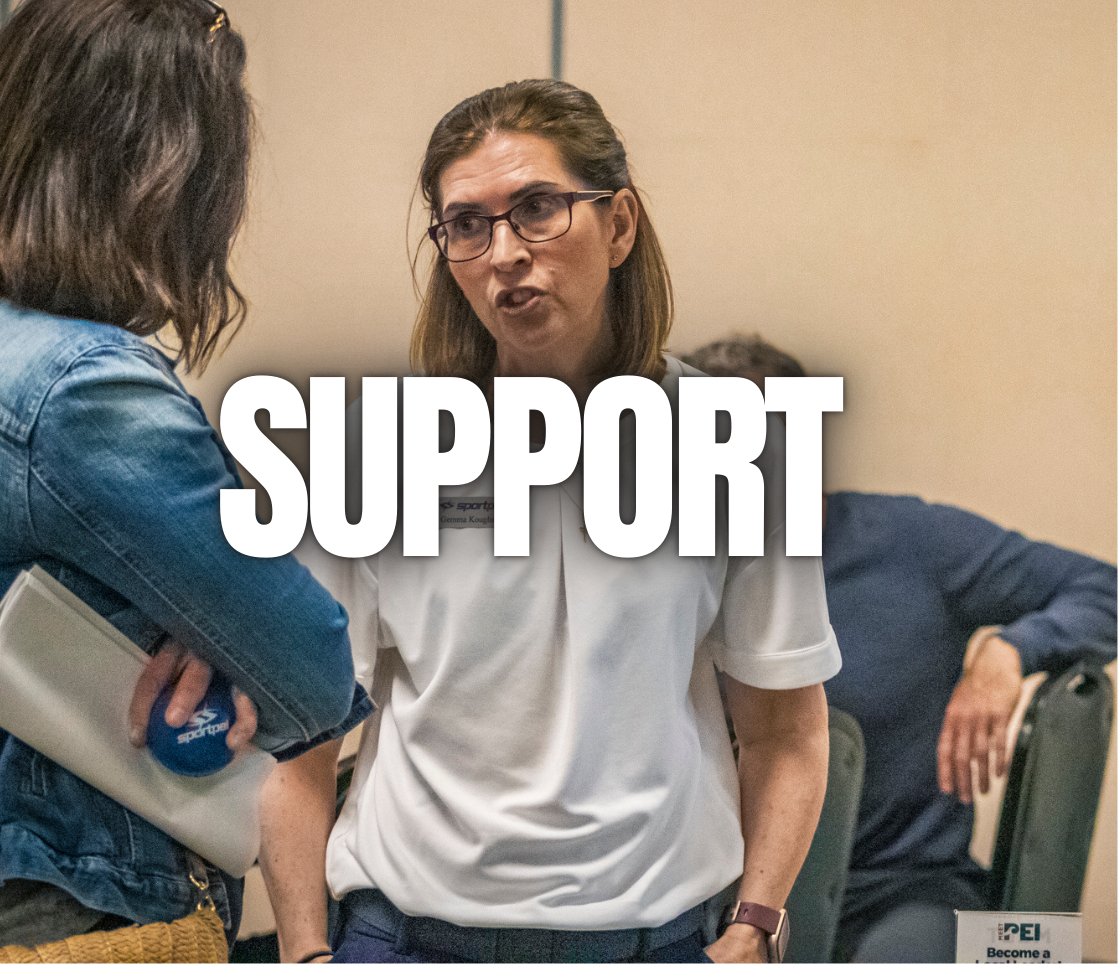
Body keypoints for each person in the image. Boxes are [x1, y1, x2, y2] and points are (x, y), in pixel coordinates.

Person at [263, 79, 841, 964]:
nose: (503, 252)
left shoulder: (733, 443)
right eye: (467, 224)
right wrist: (304, 953)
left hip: (655, 939)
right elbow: (300, 746)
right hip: (408, 935)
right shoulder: (374, 454)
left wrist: (754, 928)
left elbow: (787, 731)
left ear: (619, 226)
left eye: (536, 209)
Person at [0, 0, 371, 953]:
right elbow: (307, 674)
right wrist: (221, 637)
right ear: (164, 173)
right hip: (46, 915)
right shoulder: (77, 391)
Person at [685, 334, 1118, 963]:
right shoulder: (665, 574)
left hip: (904, 891)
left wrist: (1012, 651)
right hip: (719, 895)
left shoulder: (913, 543)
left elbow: (1101, 587)